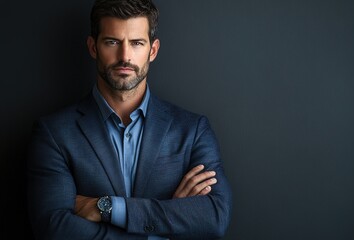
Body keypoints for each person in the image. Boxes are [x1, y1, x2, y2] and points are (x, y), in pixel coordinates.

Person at [26, 0, 232, 239]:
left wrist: (106, 207)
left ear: (152, 50)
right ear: (93, 47)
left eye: (136, 43)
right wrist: (164, 229)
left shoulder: (193, 130)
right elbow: (54, 229)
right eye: (112, 42)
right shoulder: (54, 133)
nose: (125, 56)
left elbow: (215, 217)